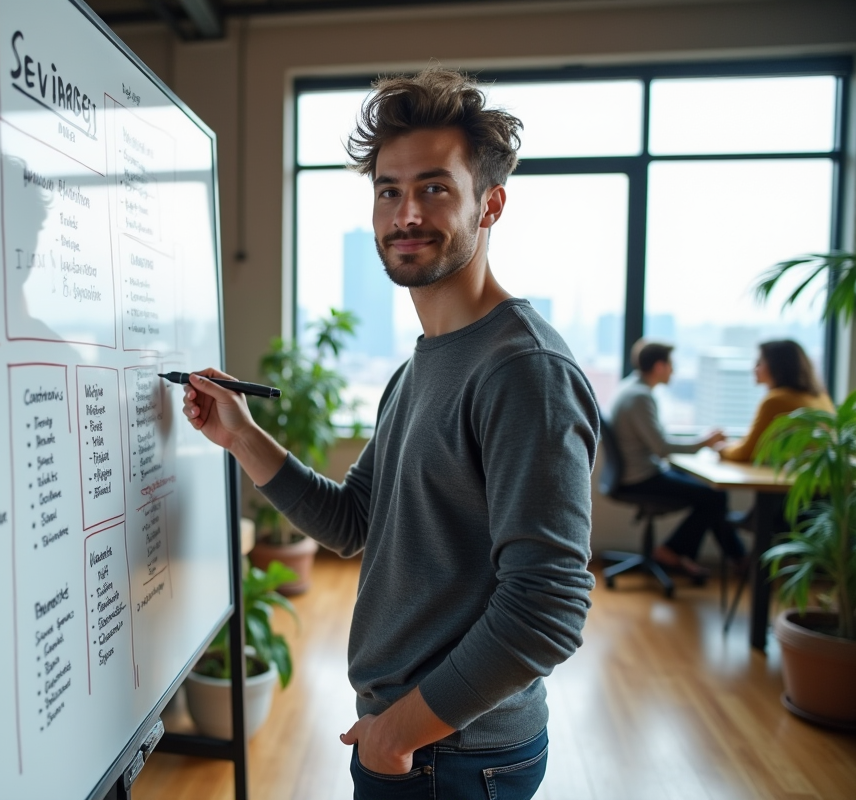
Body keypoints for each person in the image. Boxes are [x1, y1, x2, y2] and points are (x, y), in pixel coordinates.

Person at [180, 67, 597, 800]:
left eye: (435, 188)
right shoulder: (422, 364)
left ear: (491, 203)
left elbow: (549, 607)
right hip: (421, 742)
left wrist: (399, 733)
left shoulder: (523, 371)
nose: (406, 214)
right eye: (388, 191)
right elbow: (352, 521)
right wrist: (242, 436)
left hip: (449, 752)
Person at [609, 340, 745, 578]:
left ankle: (732, 558)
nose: (674, 370)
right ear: (659, 366)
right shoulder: (640, 397)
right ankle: (678, 552)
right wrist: (705, 442)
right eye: (672, 364)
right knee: (714, 496)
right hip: (641, 478)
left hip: (635, 472)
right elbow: (662, 448)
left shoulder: (630, 387)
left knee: (713, 494)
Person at [718, 339, 834, 462]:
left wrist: (721, 448)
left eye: (759, 362)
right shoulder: (821, 397)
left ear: (776, 365)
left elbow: (747, 452)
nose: (754, 368)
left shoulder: (776, 401)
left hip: (788, 472)